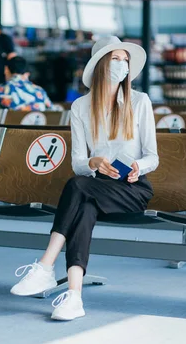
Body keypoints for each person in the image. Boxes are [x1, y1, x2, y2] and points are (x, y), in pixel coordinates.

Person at [9, 36, 159, 321]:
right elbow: (79, 163)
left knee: (78, 188)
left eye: (125, 60)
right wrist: (94, 162)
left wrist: (138, 166)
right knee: (84, 205)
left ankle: (45, 266)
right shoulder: (80, 107)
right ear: (102, 64)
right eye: (115, 59)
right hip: (95, 186)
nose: (122, 65)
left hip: (131, 189)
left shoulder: (139, 102)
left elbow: (153, 156)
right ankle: (74, 296)